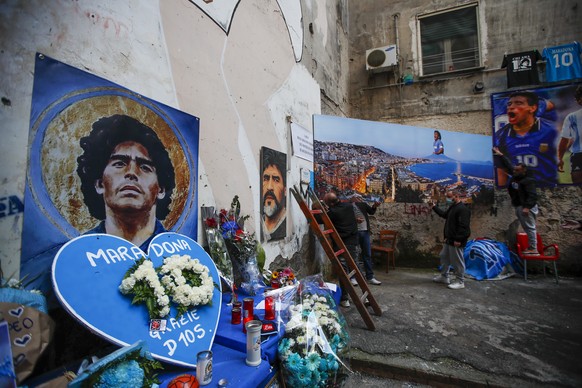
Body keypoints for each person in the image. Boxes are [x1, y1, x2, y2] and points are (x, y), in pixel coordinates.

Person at [77, 114, 175, 251]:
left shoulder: (179, 254)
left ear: (161, 189)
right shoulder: (80, 252)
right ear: (99, 184)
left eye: (145, 167)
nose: (131, 173)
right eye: (119, 164)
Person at [493, 91, 558, 187]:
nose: (511, 107)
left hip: (544, 183)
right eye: (509, 104)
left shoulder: (550, 129)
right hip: (521, 185)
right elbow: (552, 103)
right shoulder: (501, 135)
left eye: (518, 103)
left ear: (532, 108)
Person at [317, 192, 362, 307]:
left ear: (330, 203)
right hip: (353, 242)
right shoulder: (348, 206)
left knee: (343, 272)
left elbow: (320, 219)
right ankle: (365, 297)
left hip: (341, 244)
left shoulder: (333, 212)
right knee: (356, 269)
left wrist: (321, 209)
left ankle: (345, 298)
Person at [493, 147, 540, 255]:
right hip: (520, 205)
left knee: (529, 227)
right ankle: (532, 247)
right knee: (527, 227)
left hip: (525, 207)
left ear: (524, 170)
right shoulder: (517, 176)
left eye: (517, 170)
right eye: (515, 170)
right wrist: (500, 155)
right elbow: (509, 166)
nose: (514, 171)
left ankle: (534, 249)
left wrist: (527, 207)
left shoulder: (528, 181)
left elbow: (532, 196)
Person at [429, 190, 471, 289]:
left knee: (457, 261)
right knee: (444, 256)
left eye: (449, 196)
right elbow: (444, 215)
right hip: (449, 239)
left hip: (456, 240)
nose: (447, 198)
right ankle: (444, 277)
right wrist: (434, 207)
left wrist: (458, 239)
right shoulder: (453, 207)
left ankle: (460, 281)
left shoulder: (463, 209)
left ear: (456, 196)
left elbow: (464, 227)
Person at [353, 199, 382, 285]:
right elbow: (345, 218)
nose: (356, 196)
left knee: (367, 255)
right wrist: (355, 220)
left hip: (365, 232)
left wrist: (374, 206)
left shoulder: (362, 204)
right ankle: (353, 277)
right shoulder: (346, 205)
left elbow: (371, 212)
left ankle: (370, 277)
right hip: (354, 232)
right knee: (354, 255)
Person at [261, 148, 287, 241]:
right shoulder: (259, 222)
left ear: (285, 189)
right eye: (266, 178)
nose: (269, 187)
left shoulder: (285, 224)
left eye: (276, 180)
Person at [558, 85, 582, 184]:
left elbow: (564, 140)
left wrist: (560, 158)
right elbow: (564, 140)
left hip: (578, 155)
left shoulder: (571, 117)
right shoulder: (571, 117)